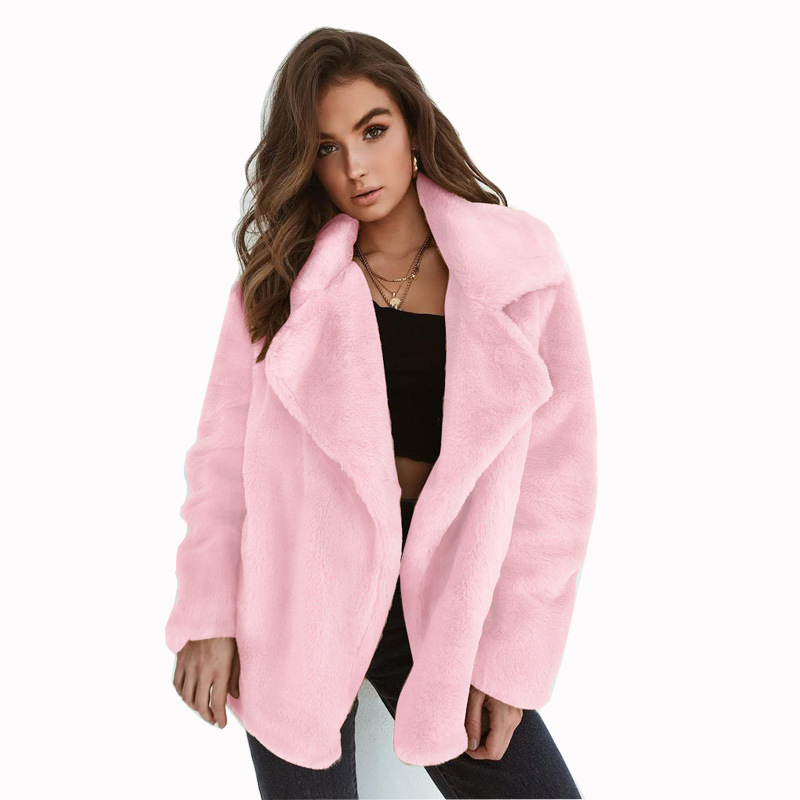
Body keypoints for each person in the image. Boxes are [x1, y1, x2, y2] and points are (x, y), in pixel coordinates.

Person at [166, 26, 597, 800]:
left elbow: (556, 485)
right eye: (326, 148)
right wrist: (208, 614)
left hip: (443, 601)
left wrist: (510, 656)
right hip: (294, 599)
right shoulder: (279, 286)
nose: (355, 168)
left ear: (413, 125)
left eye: (373, 131)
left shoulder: (519, 269)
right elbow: (221, 461)